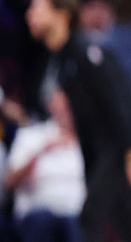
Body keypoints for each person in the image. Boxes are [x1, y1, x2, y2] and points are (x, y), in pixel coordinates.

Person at [24, 0, 131, 241]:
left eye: (38, 8)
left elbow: (116, 104)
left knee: (90, 215)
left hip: (120, 144)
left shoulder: (87, 51)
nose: (30, 15)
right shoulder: (61, 58)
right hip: (100, 148)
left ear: (61, 14)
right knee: (128, 225)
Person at [5, 87, 86, 242]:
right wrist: (41, 152)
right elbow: (10, 181)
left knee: (79, 223)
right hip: (38, 213)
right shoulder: (32, 135)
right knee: (43, 221)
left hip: (75, 215)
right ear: (50, 104)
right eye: (61, 99)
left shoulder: (87, 143)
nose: (66, 107)